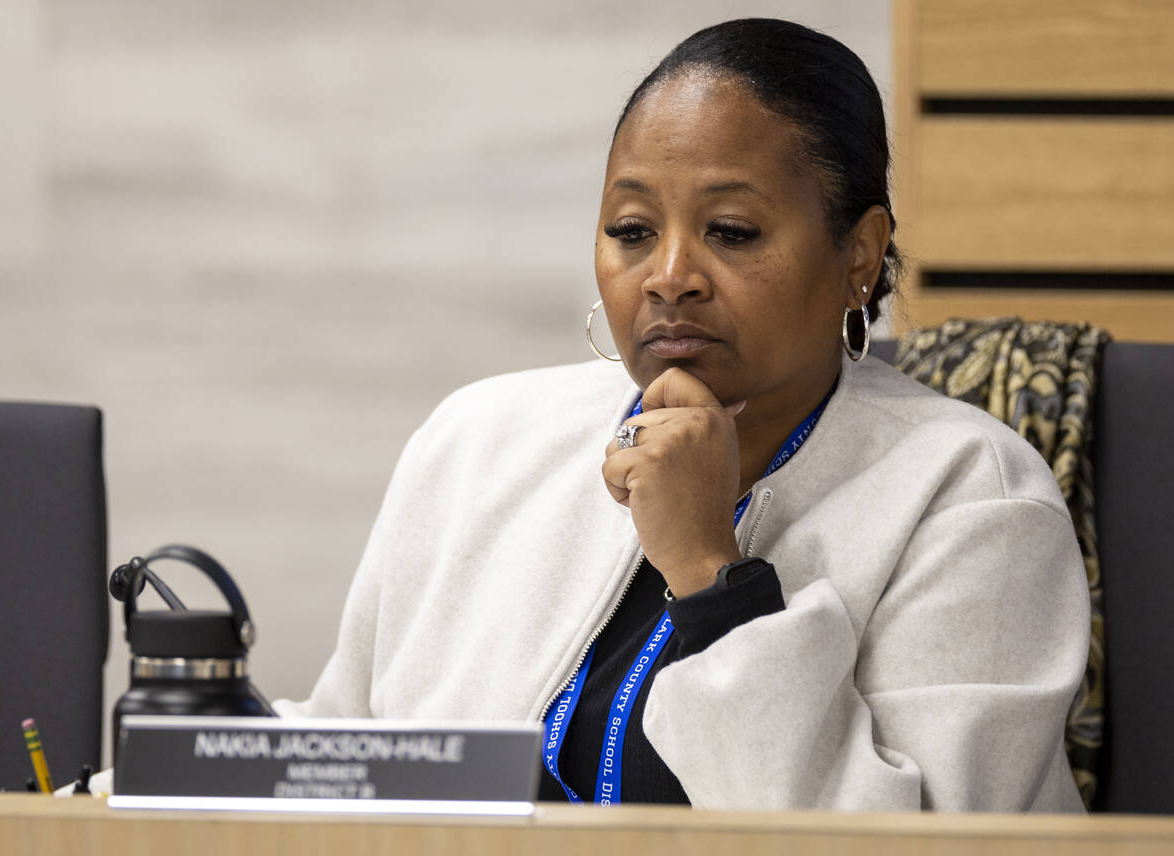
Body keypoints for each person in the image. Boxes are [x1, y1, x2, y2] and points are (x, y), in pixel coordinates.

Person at [279, 18, 1089, 812]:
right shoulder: (475, 443)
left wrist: (711, 575)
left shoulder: (973, 498)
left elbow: (922, 847)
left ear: (859, 255)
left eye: (730, 232)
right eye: (632, 230)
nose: (669, 277)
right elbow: (342, 762)